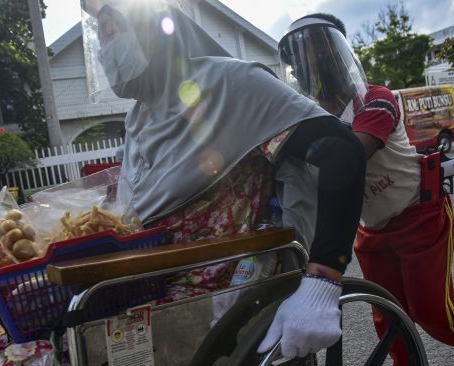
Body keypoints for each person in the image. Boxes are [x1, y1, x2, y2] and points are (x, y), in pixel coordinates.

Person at [80, 0, 366, 360]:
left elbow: (341, 152)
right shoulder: (137, 118)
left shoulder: (228, 83)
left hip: (218, 292)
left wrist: (322, 281)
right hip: (147, 283)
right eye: (100, 36)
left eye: (113, 30)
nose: (108, 50)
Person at [278, 13, 454, 366]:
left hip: (418, 213)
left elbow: (350, 154)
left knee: (431, 310)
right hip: (370, 227)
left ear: (339, 53)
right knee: (387, 315)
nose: (310, 65)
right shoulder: (312, 118)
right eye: (300, 60)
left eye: (320, 50)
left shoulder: (377, 100)